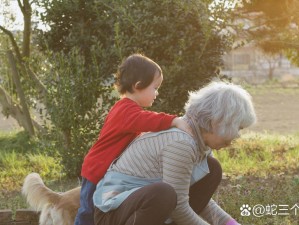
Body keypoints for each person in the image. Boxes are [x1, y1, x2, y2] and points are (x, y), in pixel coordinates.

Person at [93, 80, 257, 225]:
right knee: (163, 194)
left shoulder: (199, 142)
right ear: (217, 121)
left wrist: (230, 223)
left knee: (212, 168)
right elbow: (178, 207)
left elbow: (196, 200)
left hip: (144, 207)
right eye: (238, 127)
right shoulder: (181, 143)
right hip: (113, 214)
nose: (237, 135)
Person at [74, 53, 191, 225]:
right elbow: (147, 120)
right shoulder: (126, 110)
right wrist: (173, 120)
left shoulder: (127, 109)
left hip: (106, 169)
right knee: (88, 212)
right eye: (155, 87)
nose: (157, 93)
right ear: (138, 86)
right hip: (97, 169)